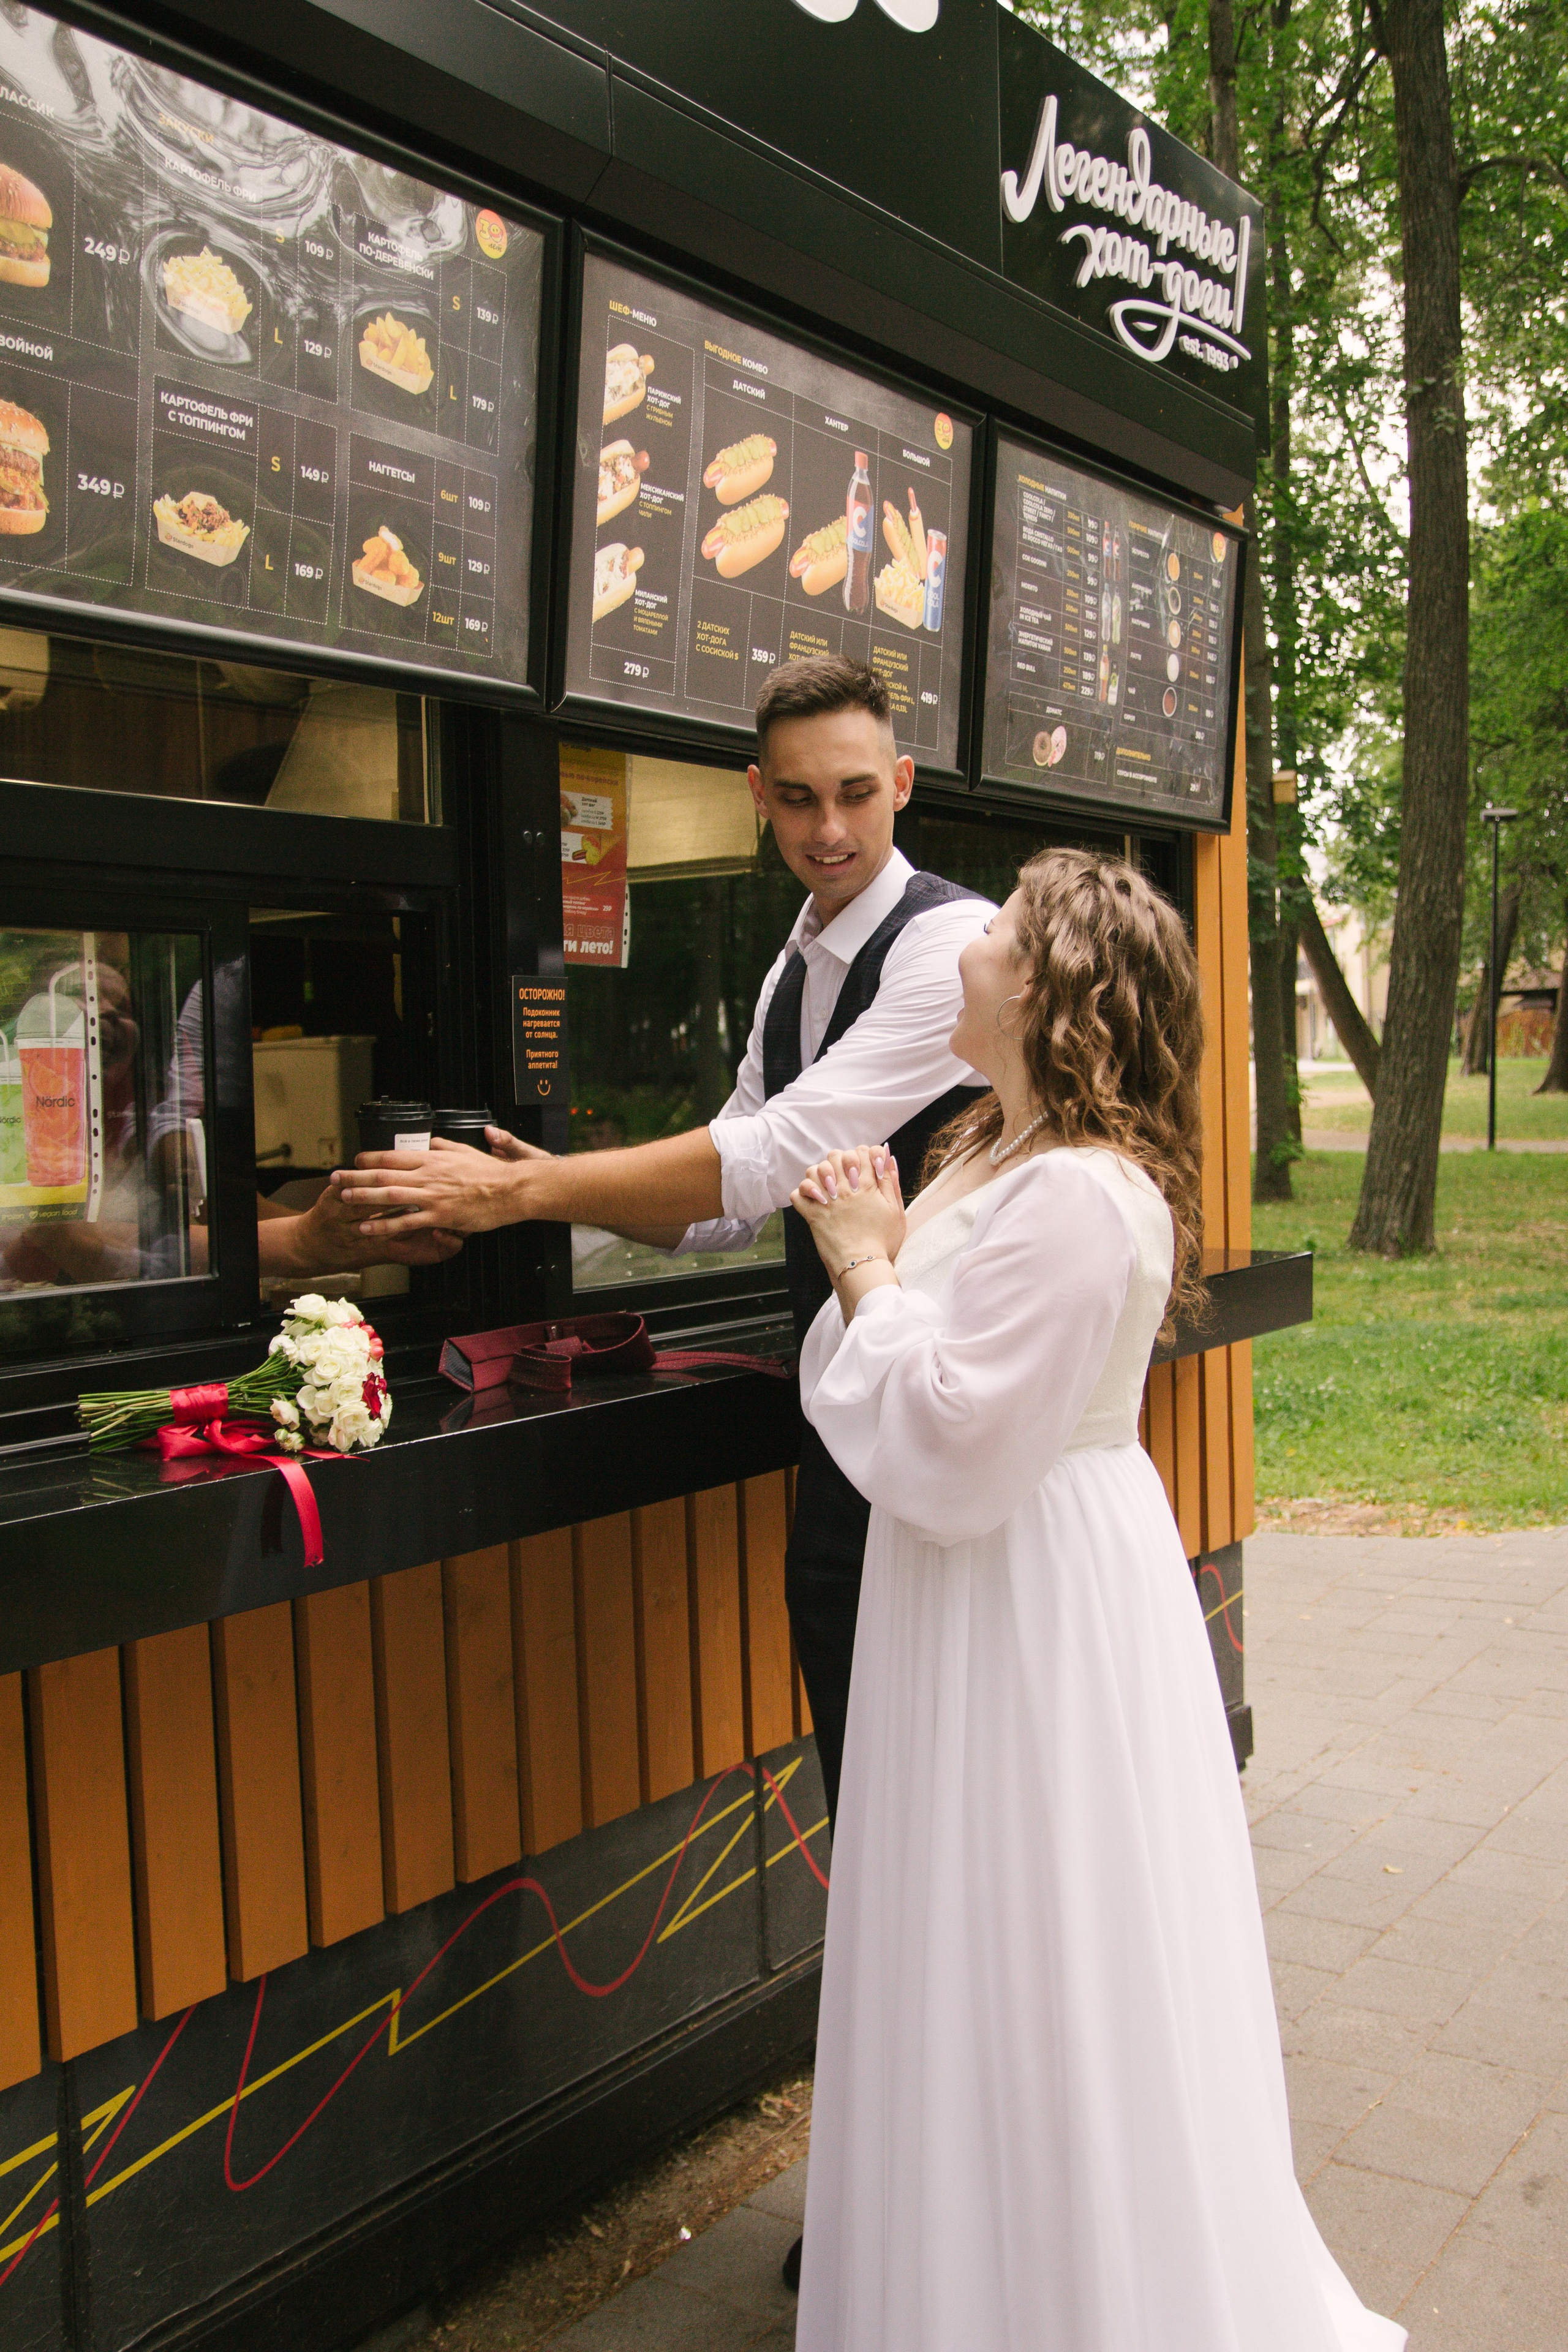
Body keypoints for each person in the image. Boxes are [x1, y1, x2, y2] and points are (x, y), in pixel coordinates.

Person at [786, 848, 1404, 2351]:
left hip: (1028, 1593)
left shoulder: (1076, 1193)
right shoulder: (992, 1151)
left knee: (1042, 1924)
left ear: (1047, 987)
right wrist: (878, 1263)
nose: (962, 943)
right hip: (965, 1579)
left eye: (993, 928)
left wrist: (864, 1271)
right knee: (968, 1931)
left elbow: (955, 1439)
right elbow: (905, 1394)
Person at [333, 656, 993, 1834]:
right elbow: (721, 1209)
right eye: (798, 798)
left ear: (902, 782)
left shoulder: (954, 946)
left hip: (950, 1418)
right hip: (846, 1424)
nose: (828, 828)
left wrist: (520, 1192)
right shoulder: (794, 964)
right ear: (757, 793)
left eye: (855, 793)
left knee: (947, 1777)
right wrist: (533, 1201)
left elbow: (776, 1152)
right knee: (865, 1759)